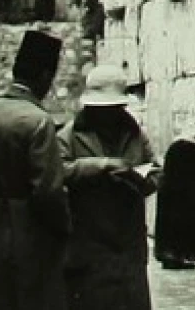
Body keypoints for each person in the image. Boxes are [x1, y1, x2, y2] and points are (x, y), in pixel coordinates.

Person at [0, 30, 71, 310]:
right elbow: (48, 192)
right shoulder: (38, 122)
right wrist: (65, 229)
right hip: (24, 233)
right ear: (45, 77)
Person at [58, 64, 162, 310]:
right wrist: (99, 166)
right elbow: (57, 171)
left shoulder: (135, 133)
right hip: (89, 238)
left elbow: (156, 171)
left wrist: (139, 178)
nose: (108, 114)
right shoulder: (69, 135)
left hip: (128, 239)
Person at [153, 133, 195, 269]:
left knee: (172, 211)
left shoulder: (180, 150)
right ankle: (179, 253)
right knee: (183, 211)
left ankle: (171, 254)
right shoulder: (194, 153)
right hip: (184, 172)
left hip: (175, 172)